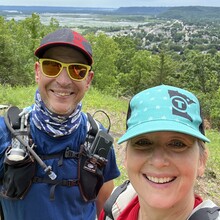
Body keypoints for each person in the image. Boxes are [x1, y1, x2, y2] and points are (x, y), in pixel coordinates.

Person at [0, 28, 120, 220]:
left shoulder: (98, 138)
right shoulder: (5, 133)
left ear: (88, 80)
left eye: (77, 70)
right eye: (52, 67)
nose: (63, 81)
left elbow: (104, 206)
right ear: (38, 72)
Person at [99, 84, 220, 220]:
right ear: (126, 156)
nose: (158, 162)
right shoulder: (115, 209)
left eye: (177, 144)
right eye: (143, 143)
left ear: (201, 160)